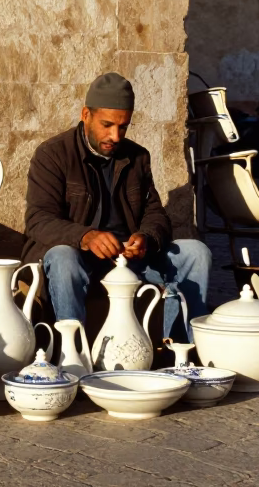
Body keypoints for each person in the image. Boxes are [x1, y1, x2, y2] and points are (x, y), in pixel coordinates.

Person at [23, 72, 211, 342]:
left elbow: (155, 213)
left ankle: (179, 352)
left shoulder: (137, 157)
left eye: (123, 127)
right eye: (107, 125)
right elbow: (38, 219)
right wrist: (86, 237)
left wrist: (146, 238)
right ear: (85, 114)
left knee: (196, 253)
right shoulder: (52, 155)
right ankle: (73, 353)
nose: (115, 135)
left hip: (128, 259)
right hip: (77, 255)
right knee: (63, 258)